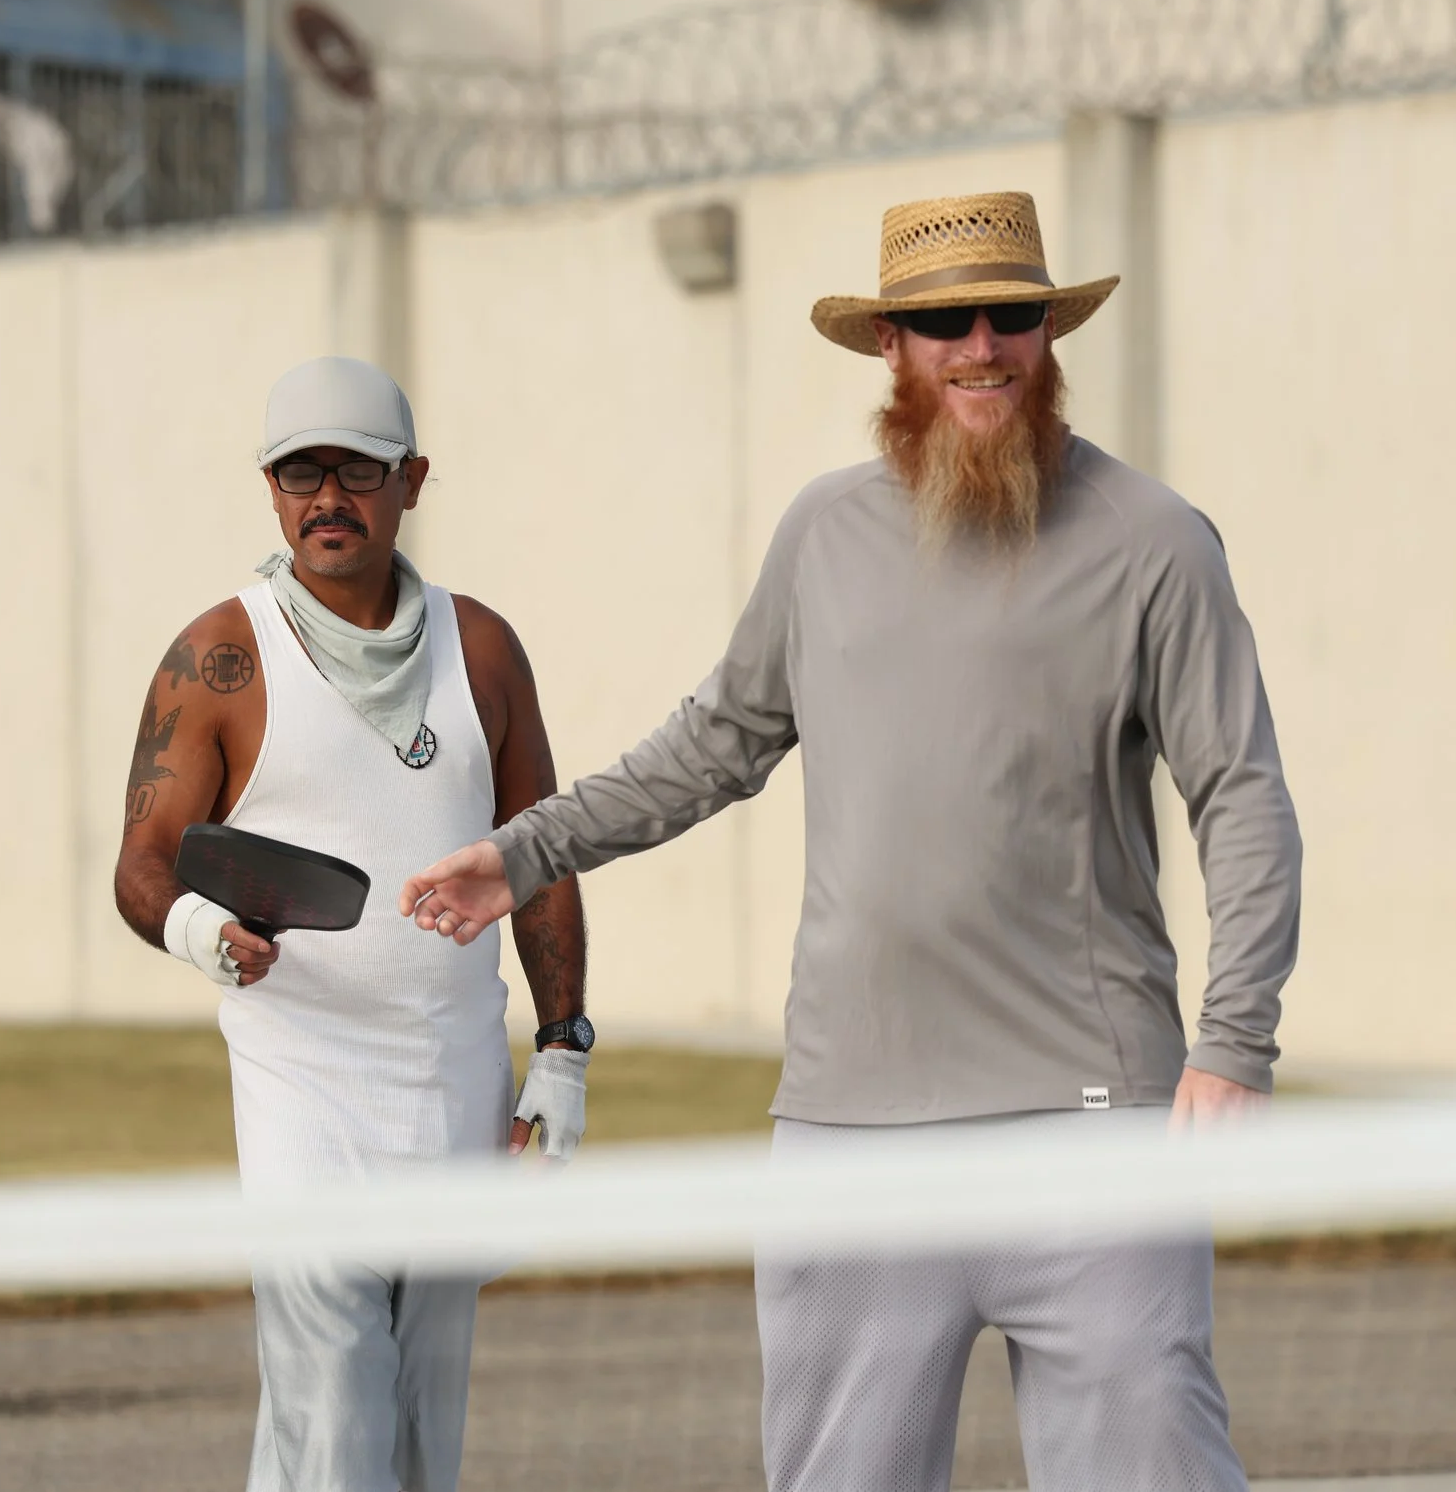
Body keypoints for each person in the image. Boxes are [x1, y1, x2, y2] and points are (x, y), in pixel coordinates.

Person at [399, 191, 1302, 1492]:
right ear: (892, 343)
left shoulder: (1156, 543)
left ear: (1051, 330)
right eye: (945, 319)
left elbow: (1246, 796)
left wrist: (1236, 1039)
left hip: (1097, 1126)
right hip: (847, 1137)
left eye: (1012, 314)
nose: (981, 345)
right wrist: (525, 850)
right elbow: (717, 738)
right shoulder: (822, 533)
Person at [111, 356, 593, 1492]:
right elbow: (140, 863)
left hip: (452, 1083)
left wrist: (562, 1056)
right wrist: (197, 931)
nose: (327, 495)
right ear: (270, 488)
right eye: (299, 470)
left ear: (412, 480)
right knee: (335, 1419)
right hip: (300, 1099)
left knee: (419, 1436)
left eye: (357, 470)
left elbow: (544, 859)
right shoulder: (219, 655)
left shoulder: (482, 649)